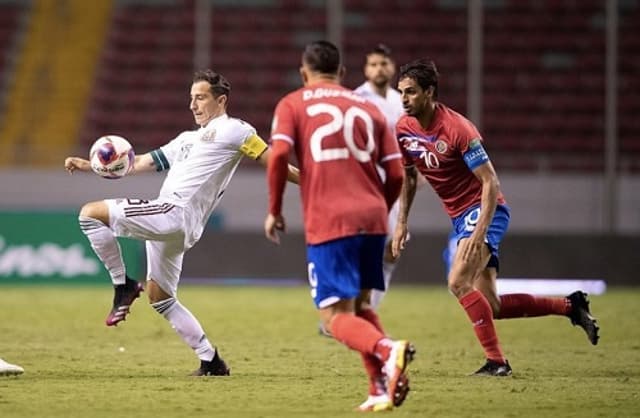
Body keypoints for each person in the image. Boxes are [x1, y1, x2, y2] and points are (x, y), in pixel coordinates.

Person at [64, 69, 299, 376]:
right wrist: (90, 165)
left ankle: (122, 284)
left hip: (174, 213)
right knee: (160, 298)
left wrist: (313, 181)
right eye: (191, 98)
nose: (193, 105)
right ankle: (211, 361)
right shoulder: (186, 139)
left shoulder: (236, 130)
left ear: (221, 100)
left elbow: (275, 163)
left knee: (89, 214)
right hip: (177, 229)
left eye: (200, 98)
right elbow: (142, 162)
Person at [391, 59, 600, 376]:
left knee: (458, 281)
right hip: (461, 218)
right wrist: (402, 222)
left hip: (485, 209)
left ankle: (497, 362)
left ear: (429, 92)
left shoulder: (458, 129)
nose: (404, 99)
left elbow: (490, 182)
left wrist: (479, 233)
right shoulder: (403, 129)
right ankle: (571, 306)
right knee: (492, 305)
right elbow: (408, 177)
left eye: (411, 92)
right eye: (401, 92)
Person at [265, 40, 414, 412]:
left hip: (331, 220)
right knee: (361, 305)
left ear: (303, 73)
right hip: (374, 217)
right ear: (344, 74)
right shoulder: (369, 107)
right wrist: (381, 209)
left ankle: (387, 349)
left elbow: (279, 154)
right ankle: (379, 385)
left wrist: (275, 208)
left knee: (333, 318)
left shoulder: (293, 103)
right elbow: (397, 172)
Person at [353, 44, 405, 310]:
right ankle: (344, 311)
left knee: (391, 251)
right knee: (362, 248)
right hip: (366, 183)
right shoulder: (356, 100)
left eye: (383, 64)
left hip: (396, 185)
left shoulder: (401, 100)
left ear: (392, 67)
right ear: (366, 69)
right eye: (373, 64)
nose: (379, 69)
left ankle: (367, 310)